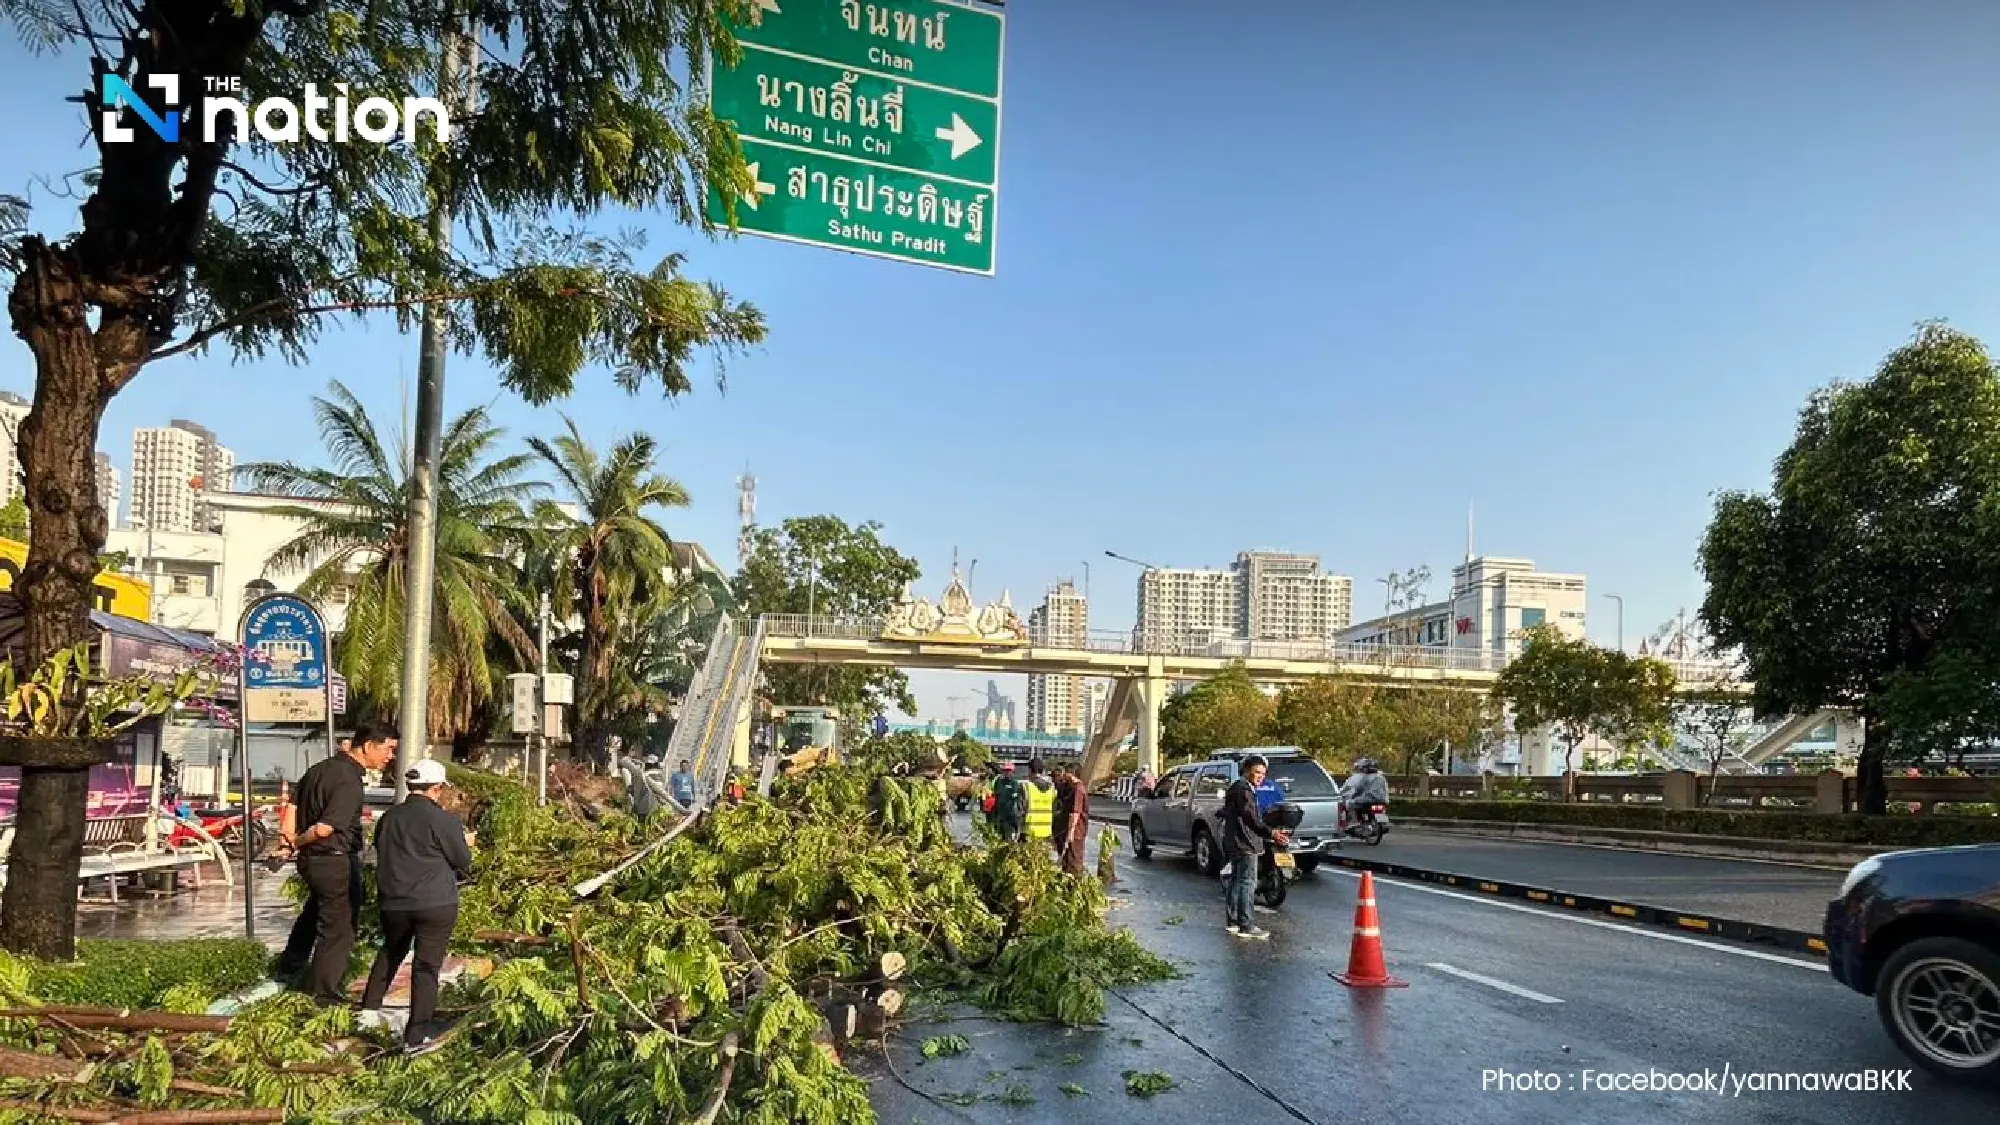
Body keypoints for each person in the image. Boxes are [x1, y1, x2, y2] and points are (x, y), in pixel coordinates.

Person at [274, 723, 397, 1003]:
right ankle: (323, 994)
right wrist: (296, 841)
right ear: (368, 746)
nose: (390, 757)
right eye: (388, 749)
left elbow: (292, 806)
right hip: (333, 861)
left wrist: (286, 842)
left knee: (314, 913)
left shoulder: (319, 769)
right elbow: (324, 829)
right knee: (339, 930)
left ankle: (289, 968)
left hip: (313, 863)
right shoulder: (348, 780)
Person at [360, 759, 474, 1055]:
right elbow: (462, 860)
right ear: (436, 788)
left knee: (391, 951)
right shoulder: (444, 821)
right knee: (426, 967)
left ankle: (368, 1012)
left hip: (394, 901)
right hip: (435, 903)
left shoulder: (389, 819)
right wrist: (466, 843)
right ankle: (416, 1035)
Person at [1222, 755, 1288, 939]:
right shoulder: (1243, 789)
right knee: (1247, 883)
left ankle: (1234, 921)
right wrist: (1271, 833)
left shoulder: (1239, 787)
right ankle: (1246, 925)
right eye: (1257, 772)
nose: (1260, 776)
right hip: (1245, 842)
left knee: (1236, 880)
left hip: (1237, 841)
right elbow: (1250, 817)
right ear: (1246, 770)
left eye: (1263, 774)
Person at [1059, 770, 1091, 877]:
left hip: (1076, 831)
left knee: (1073, 862)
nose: (1064, 776)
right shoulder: (1079, 788)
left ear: (1071, 774)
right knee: (1071, 860)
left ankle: (1073, 884)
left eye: (1066, 773)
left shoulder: (1077, 789)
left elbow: (1075, 813)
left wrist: (1070, 832)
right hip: (1079, 830)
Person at [1339, 757, 1390, 824]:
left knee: (1349, 803)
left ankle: (1354, 821)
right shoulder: (1381, 777)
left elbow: (1355, 788)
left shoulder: (1362, 777)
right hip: (1382, 800)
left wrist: (1348, 795)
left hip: (1367, 800)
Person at [1021, 759, 1057, 845]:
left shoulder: (1026, 787)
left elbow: (1020, 810)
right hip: (1046, 832)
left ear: (1030, 770)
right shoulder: (1052, 789)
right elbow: (1054, 809)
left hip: (1029, 831)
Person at [989, 763, 1024, 841]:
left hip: (1011, 815)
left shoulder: (1014, 783)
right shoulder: (999, 782)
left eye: (1009, 770)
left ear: (1012, 771)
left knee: (1009, 837)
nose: (1007, 772)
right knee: (1000, 836)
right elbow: (996, 796)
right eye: (1005, 770)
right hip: (1001, 814)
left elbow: (1016, 800)